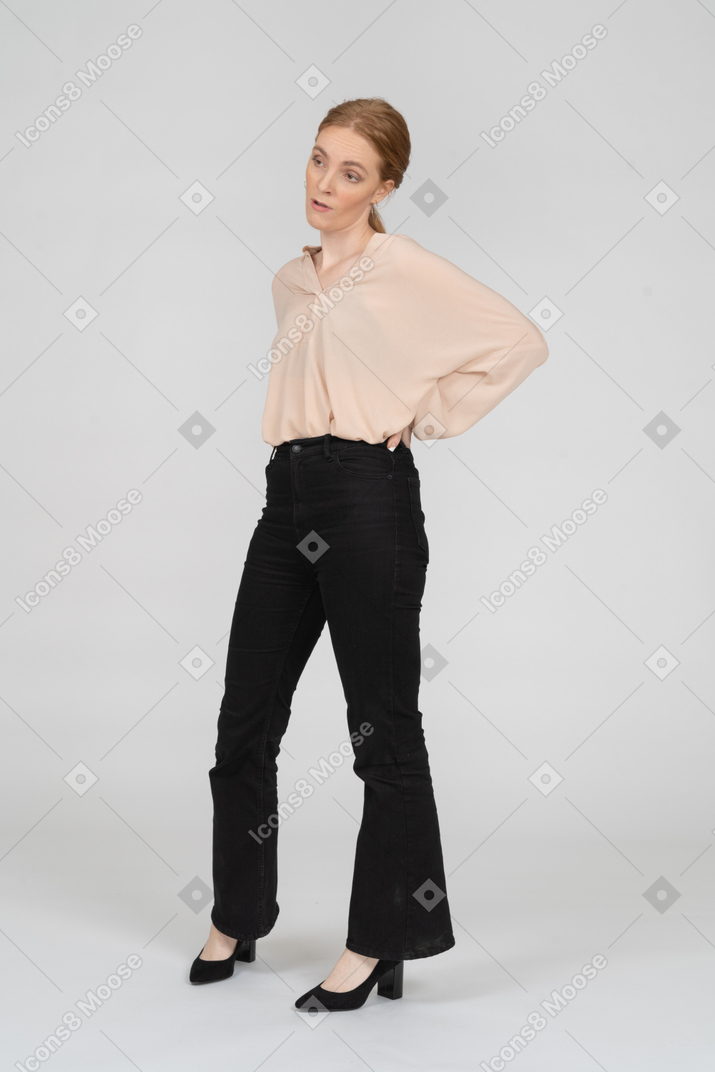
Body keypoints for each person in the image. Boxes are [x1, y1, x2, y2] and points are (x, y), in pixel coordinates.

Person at [189, 97, 548, 1011]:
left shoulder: (399, 265)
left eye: (351, 172)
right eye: (317, 161)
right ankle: (238, 912)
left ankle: (377, 942)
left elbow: (518, 339)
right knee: (244, 720)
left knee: (380, 733)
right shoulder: (289, 279)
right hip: (288, 497)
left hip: (366, 501)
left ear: (386, 186)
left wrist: (424, 418)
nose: (324, 184)